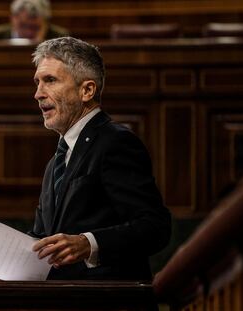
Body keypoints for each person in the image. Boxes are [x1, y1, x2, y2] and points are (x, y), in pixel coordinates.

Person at [30, 37, 171, 280]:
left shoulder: (115, 142)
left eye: (50, 81)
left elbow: (154, 226)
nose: (38, 94)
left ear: (87, 90)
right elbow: (43, 238)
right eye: (37, 82)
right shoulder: (56, 162)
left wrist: (89, 243)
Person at [0, 0, 68, 41]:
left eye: (35, 27)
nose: (28, 33)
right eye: (23, 26)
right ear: (13, 18)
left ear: (46, 22)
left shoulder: (60, 38)